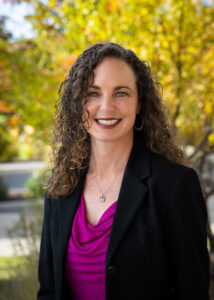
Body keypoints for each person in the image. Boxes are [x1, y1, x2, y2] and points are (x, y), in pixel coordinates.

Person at [37, 42, 210, 300]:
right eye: (93, 93)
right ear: (77, 103)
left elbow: (192, 292)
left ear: (140, 103)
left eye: (121, 93)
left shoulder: (174, 185)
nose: (106, 107)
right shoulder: (61, 184)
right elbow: (49, 291)